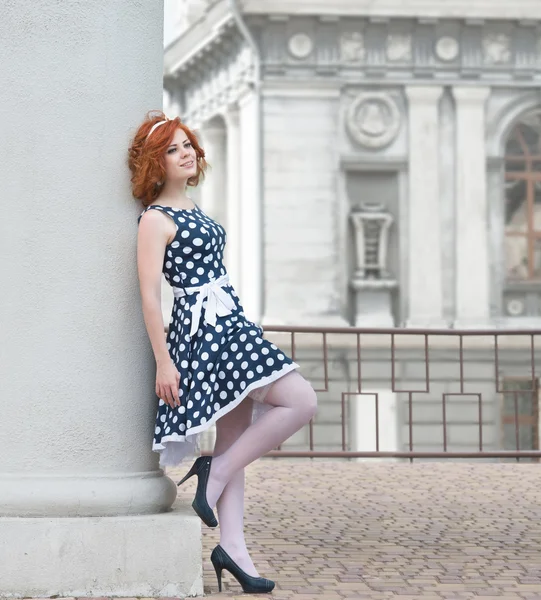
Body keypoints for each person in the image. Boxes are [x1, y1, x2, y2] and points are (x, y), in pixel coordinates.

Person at [128, 111, 318, 594]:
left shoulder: (193, 208)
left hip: (231, 325)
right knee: (300, 400)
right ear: (156, 162)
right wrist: (163, 362)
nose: (186, 152)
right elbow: (150, 295)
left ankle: (232, 548)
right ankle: (215, 473)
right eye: (172, 149)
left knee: (256, 427)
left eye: (187, 143)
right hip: (201, 336)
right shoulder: (155, 219)